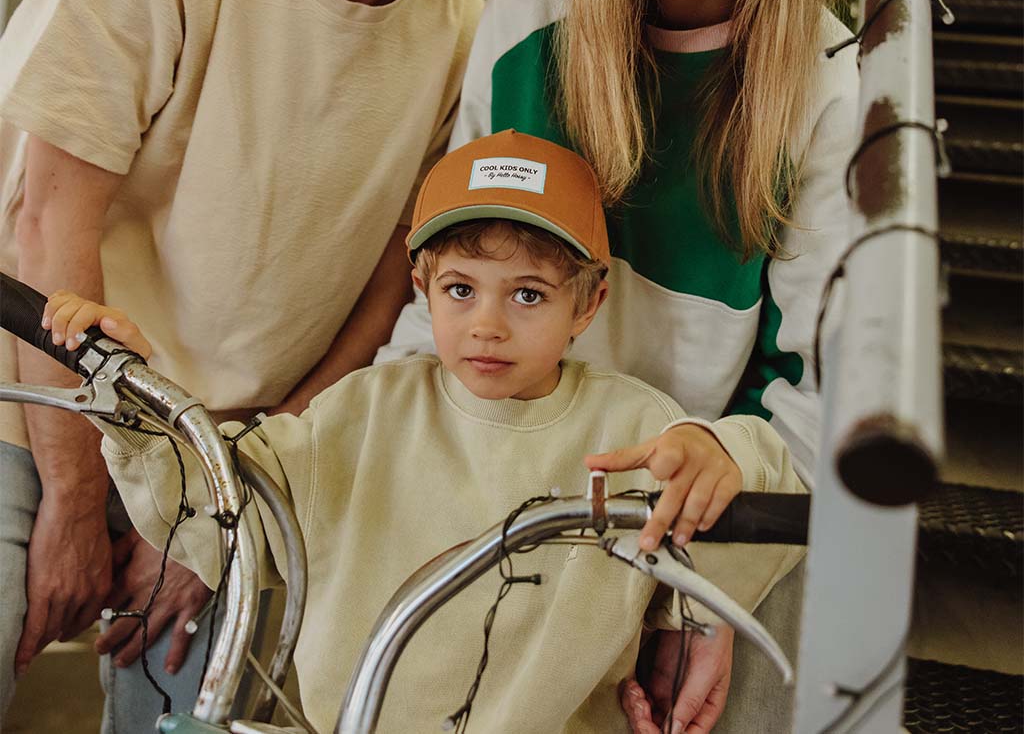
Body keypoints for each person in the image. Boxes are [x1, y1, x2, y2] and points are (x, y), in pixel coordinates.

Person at [0, 0, 578, 730]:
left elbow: (383, 289)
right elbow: (46, 216)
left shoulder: (467, 31)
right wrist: (79, 497)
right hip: (35, 395)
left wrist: (225, 501)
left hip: (223, 450)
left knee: (202, 710)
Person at [382, 0, 860, 731]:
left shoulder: (825, 83)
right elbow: (443, 286)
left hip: (695, 519)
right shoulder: (530, 7)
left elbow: (817, 382)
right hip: (499, 497)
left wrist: (707, 582)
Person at [42, 129, 804, 733]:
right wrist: (132, 395)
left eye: (529, 294)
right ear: (422, 288)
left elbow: (767, 489)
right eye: (461, 289)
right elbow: (222, 504)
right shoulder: (362, 411)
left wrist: (721, 448)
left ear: (588, 303)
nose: (488, 325)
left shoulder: (634, 426)